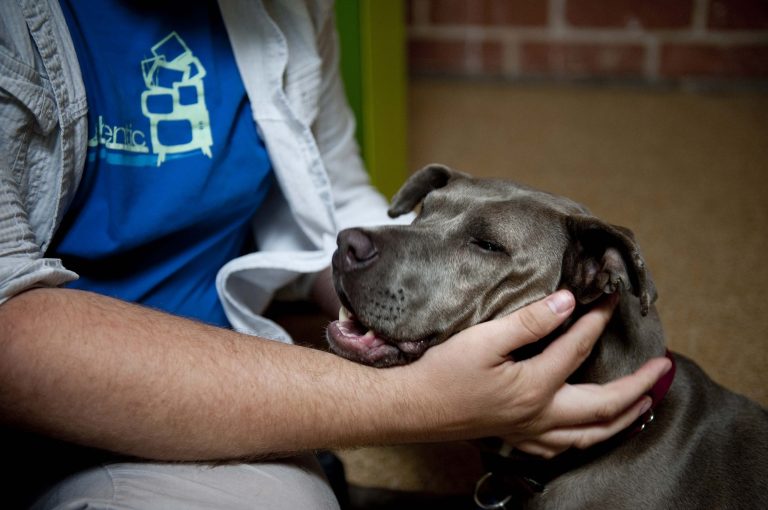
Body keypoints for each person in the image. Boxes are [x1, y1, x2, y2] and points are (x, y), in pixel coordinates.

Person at [0, 0, 672, 508]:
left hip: (216, 349)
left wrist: (407, 292)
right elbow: (13, 337)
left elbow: (334, 202)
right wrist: (425, 403)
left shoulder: (290, 8)